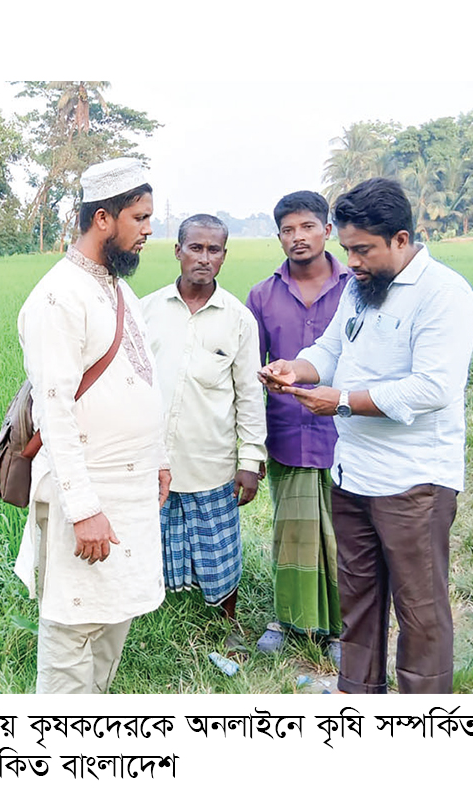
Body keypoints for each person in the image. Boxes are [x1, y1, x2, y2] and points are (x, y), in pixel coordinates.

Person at [259, 178, 473, 694]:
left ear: (401, 239)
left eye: (363, 250)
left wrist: (340, 400)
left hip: (414, 483)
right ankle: (357, 698)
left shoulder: (444, 295)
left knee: (420, 610)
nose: (352, 262)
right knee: (358, 602)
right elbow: (331, 348)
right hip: (353, 473)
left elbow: (433, 387)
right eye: (348, 250)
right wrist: (297, 369)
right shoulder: (360, 290)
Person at [14, 157, 171, 693]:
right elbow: (54, 410)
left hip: (131, 489)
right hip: (88, 492)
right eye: (140, 218)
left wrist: (161, 458)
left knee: (111, 625)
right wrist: (84, 510)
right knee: (73, 634)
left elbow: (142, 378)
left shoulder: (120, 290)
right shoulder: (57, 297)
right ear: (103, 219)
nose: (150, 229)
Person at [141, 214, 267, 645]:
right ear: (177, 251)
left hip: (209, 458)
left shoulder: (239, 320)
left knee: (219, 550)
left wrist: (250, 461)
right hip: (149, 459)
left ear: (224, 256)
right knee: (148, 543)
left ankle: (227, 622)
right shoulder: (147, 311)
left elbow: (250, 395)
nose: (204, 258)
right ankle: (146, 617)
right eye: (195, 247)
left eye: (214, 250)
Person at [245, 191, 348, 664]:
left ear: (327, 231)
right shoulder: (263, 295)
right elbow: (250, 371)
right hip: (286, 434)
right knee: (292, 533)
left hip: (351, 435)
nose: (297, 237)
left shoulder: (357, 288)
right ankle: (288, 620)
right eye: (287, 230)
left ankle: (346, 629)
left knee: (347, 536)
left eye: (307, 226)